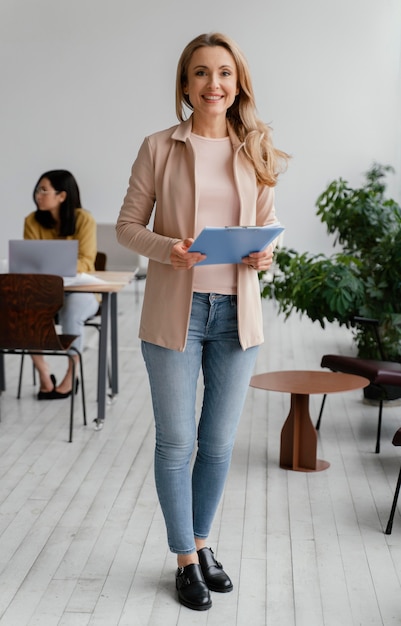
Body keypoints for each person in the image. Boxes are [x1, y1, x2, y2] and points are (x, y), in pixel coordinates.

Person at [116, 32, 290, 611]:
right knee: (176, 441)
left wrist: (266, 255)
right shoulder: (159, 147)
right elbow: (127, 226)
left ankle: (201, 542)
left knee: (216, 444)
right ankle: (185, 561)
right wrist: (169, 249)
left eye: (222, 73)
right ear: (185, 85)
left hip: (236, 313)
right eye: (199, 73)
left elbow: (267, 229)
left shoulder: (255, 146)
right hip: (176, 313)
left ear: (236, 81)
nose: (212, 84)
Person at [24, 169, 99, 399]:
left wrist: (48, 265)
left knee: (71, 312)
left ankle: (71, 373)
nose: (38, 195)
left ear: (62, 196)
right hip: (45, 292)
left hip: (82, 291)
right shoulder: (32, 221)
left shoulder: (84, 220)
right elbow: (29, 260)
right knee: (24, 311)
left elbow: (86, 261)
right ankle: (44, 375)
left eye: (44, 190)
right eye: (38, 189)